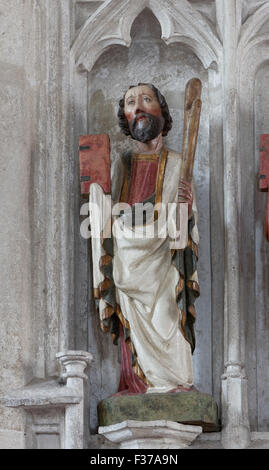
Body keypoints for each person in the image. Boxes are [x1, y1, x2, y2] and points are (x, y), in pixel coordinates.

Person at [90, 83, 200, 394]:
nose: (138, 107)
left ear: (161, 112)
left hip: (163, 265)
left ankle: (176, 382)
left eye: (146, 100)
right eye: (130, 103)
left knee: (168, 315)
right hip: (127, 262)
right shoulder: (120, 165)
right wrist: (99, 196)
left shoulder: (178, 164)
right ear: (125, 117)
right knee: (132, 318)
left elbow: (182, 233)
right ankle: (137, 383)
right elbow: (108, 217)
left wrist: (187, 209)